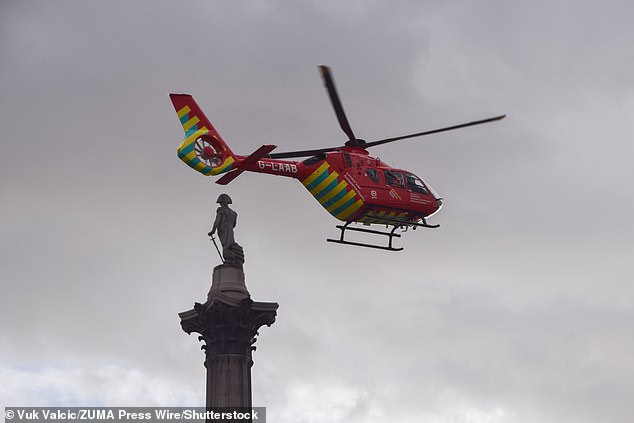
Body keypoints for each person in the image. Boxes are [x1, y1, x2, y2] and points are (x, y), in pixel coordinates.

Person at [208, 194, 244, 266]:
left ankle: (230, 259)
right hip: (230, 230)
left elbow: (217, 221)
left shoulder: (220, 210)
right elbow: (234, 224)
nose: (220, 204)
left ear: (223, 202)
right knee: (230, 244)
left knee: (225, 246)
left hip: (223, 230)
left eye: (221, 203)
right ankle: (232, 259)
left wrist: (213, 230)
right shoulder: (234, 213)